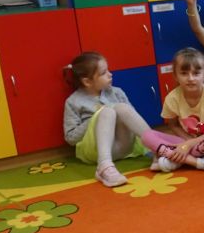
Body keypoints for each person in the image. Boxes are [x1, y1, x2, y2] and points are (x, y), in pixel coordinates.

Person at [63, 52, 150, 188]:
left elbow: (132, 119)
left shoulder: (116, 92)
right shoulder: (73, 101)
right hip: (95, 153)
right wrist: (95, 118)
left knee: (121, 108)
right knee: (107, 112)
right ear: (87, 81)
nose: (110, 74)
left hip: (125, 146)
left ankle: (159, 148)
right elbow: (71, 138)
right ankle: (104, 167)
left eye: (108, 70)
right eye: (103, 73)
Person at [145, 48, 204, 173]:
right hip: (185, 140)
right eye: (184, 73)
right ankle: (197, 162)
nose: (190, 78)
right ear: (176, 76)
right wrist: (186, 143)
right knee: (147, 136)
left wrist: (188, 145)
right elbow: (173, 125)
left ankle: (174, 158)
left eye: (196, 73)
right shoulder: (172, 98)